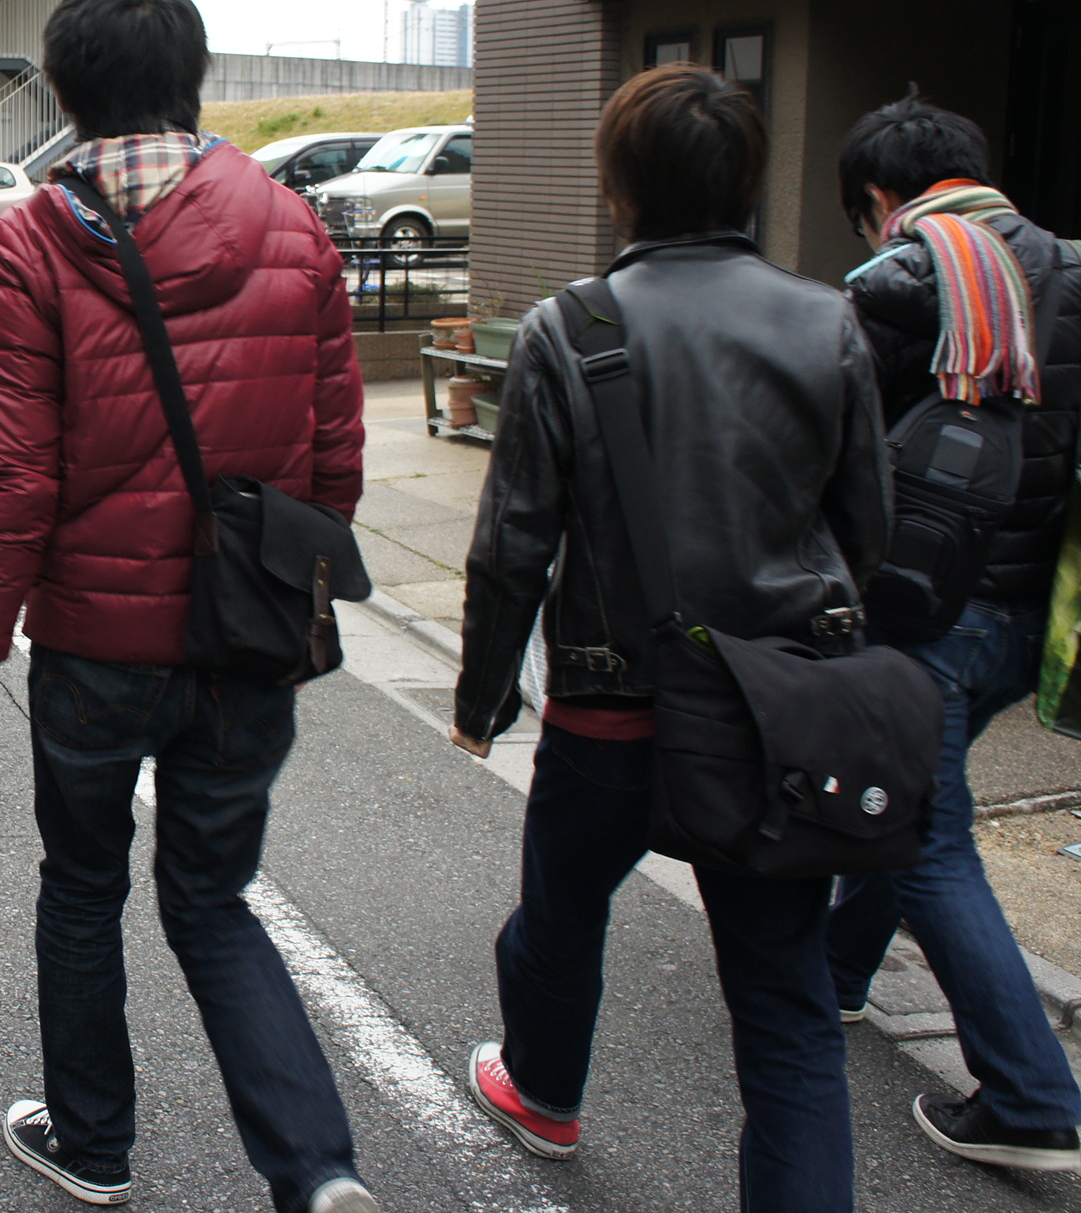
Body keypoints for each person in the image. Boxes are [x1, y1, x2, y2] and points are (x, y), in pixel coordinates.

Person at [0, 0, 375, 1213]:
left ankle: (92, 1141)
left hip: (94, 647)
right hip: (247, 636)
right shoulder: (292, 229)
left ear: (64, 92)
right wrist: (290, 587)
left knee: (83, 888)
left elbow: (9, 480)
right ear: (192, 81)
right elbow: (335, 457)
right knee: (211, 896)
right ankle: (316, 1168)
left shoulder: (28, 245)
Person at [451, 65, 888, 1212]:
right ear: (748, 181)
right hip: (769, 713)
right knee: (784, 1000)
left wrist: (481, 698)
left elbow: (513, 542)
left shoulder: (570, 325)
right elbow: (863, 528)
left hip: (609, 709)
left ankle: (543, 1090)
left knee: (559, 916)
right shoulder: (825, 319)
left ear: (619, 185)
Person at [824, 93, 1081, 1171]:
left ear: (880, 195)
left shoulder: (902, 280)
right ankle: (838, 972)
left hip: (933, 608)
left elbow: (834, 445)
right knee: (911, 798)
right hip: (1039, 617)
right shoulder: (1072, 266)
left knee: (927, 835)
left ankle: (1031, 1098)